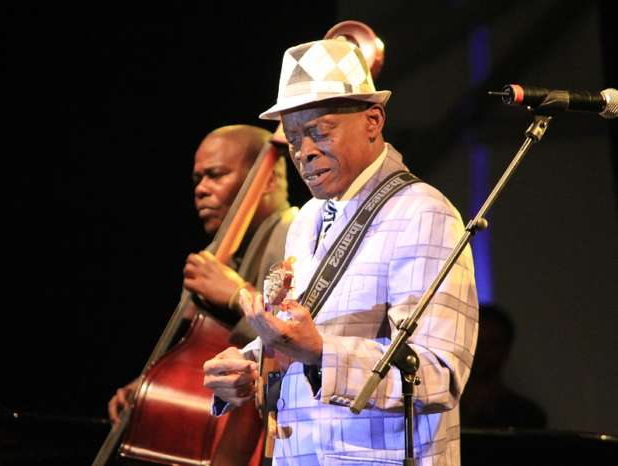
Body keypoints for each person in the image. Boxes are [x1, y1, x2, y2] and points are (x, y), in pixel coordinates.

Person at [203, 39, 479, 465]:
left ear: (373, 121)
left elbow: (439, 374)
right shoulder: (307, 220)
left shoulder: (423, 213)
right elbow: (302, 340)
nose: (304, 151)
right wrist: (250, 365)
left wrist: (320, 352)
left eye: (319, 131)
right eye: (294, 137)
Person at [108, 124, 297, 424]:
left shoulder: (297, 237)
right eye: (197, 179)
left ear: (269, 179)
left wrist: (238, 296)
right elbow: (194, 355)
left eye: (216, 175)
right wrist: (151, 383)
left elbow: (302, 341)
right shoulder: (216, 255)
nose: (201, 189)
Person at [460, 304, 547, 429]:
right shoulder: (438, 410)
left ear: (506, 350)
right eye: (476, 342)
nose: (481, 351)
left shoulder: (528, 416)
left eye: (492, 344)